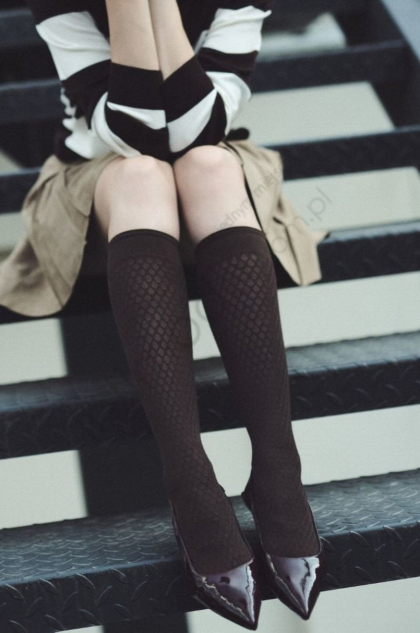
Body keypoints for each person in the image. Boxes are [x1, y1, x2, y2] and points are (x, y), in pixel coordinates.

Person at [0, 0, 329, 627]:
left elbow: (201, 130)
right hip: (97, 179)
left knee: (208, 164)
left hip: (215, 173)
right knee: (143, 174)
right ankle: (190, 481)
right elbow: (137, 134)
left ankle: (278, 470)